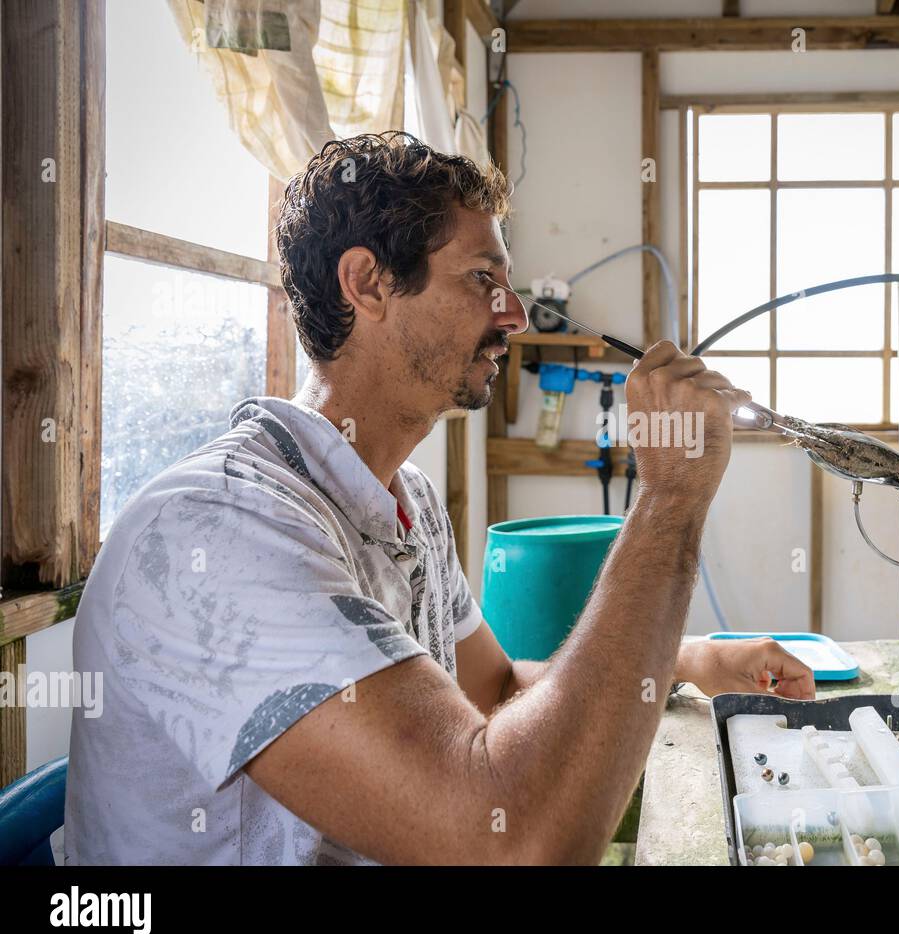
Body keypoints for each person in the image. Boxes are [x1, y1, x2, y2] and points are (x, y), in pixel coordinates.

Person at [65, 131, 815, 865]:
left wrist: (691, 661)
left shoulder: (406, 501)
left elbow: (492, 690)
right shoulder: (218, 532)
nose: (514, 315)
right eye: (483, 279)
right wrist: (669, 502)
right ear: (367, 284)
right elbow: (514, 841)